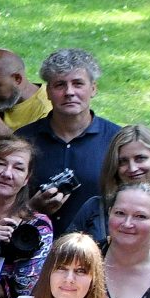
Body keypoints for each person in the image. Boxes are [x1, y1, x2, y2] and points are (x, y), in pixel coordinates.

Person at [62, 123, 150, 261]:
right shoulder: (95, 207)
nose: (132, 168)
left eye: (140, 158)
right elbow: (63, 257)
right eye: (123, 161)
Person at [17, 48, 118, 209]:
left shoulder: (116, 140)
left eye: (78, 84)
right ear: (48, 92)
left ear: (93, 88)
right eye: (60, 85)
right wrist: (32, 208)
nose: (69, 92)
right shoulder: (23, 140)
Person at [0, 136, 52, 298]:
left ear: (27, 178)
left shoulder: (37, 226)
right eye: (0, 164)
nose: (7, 174)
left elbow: (27, 289)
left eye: (18, 168)